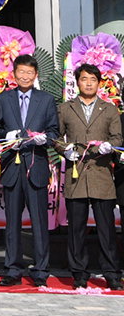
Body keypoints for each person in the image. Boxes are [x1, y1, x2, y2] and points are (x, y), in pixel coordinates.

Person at [57, 63, 123, 290]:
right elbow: (56, 136)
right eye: (84, 79)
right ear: (77, 82)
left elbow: (118, 138)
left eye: (93, 80)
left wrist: (109, 146)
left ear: (99, 83)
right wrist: (64, 150)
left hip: (101, 175)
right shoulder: (66, 108)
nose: (88, 83)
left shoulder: (109, 109)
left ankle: (111, 273)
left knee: (106, 228)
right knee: (76, 229)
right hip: (75, 176)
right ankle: (79, 273)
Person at [0, 53, 58, 287]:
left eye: (29, 73)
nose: (24, 76)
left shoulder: (46, 99)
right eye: (20, 72)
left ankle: (41, 269)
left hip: (37, 166)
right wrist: (7, 136)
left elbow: (54, 132)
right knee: (12, 222)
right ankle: (12, 269)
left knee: (39, 222)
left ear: (35, 75)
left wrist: (45, 139)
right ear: (14, 74)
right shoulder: (3, 99)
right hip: (12, 165)